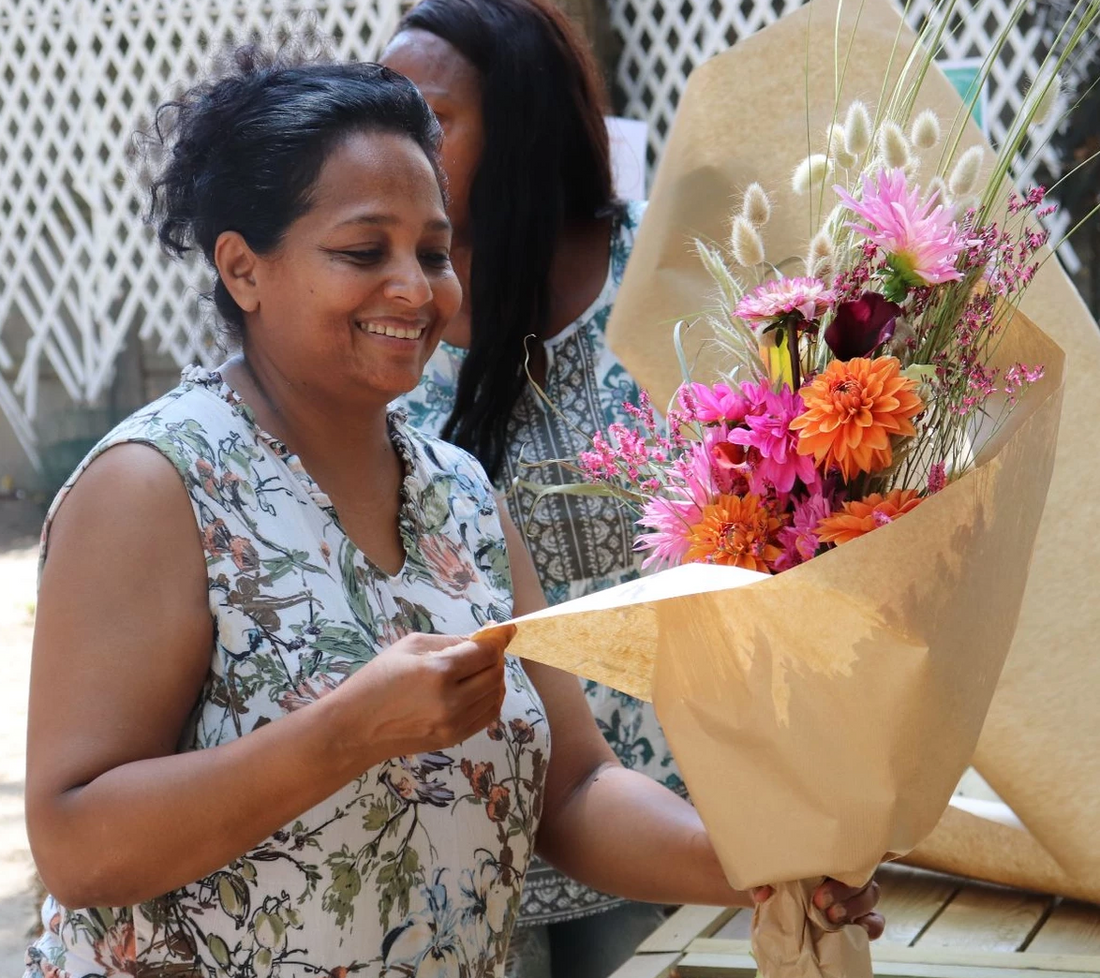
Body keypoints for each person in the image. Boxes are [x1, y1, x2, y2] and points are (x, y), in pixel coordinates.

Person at [23, 49, 882, 978]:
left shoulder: (462, 495)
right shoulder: (156, 487)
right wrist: (347, 730)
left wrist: (758, 863)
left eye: (434, 253)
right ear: (243, 269)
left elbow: (575, 790)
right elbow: (75, 845)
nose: (416, 288)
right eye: (362, 251)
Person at [380, 2, 685, 972]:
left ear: (519, 124)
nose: (391, 144)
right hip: (478, 843)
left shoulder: (667, 273)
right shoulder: (382, 324)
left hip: (682, 822)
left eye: (425, 119)